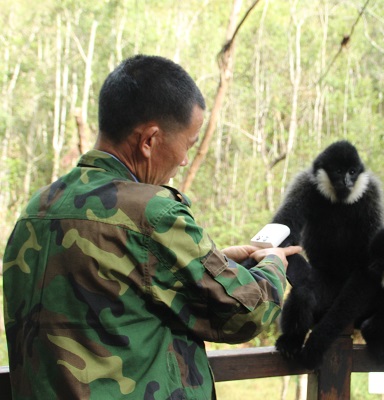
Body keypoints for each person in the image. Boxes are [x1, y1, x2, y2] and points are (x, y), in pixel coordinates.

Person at [2, 54, 302, 400]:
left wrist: (218, 260)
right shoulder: (151, 213)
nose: (185, 159)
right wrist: (275, 264)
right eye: (188, 144)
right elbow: (244, 312)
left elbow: (131, 286)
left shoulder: (35, 209)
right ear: (149, 141)